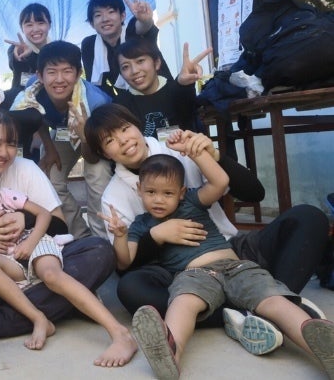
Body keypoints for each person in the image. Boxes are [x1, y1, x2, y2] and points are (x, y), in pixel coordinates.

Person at [83, 104, 330, 348]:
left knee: (308, 217)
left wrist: (211, 154)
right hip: (180, 273)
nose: (123, 140)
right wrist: (156, 236)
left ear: (137, 126)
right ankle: (257, 313)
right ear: (104, 153)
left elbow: (253, 192)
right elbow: (126, 265)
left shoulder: (181, 150)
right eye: (110, 140)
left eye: (125, 129)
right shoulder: (113, 196)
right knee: (130, 289)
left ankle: (272, 304)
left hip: (231, 252)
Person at [104, 142, 334, 380]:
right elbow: (125, 262)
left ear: (181, 192)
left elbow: (220, 182)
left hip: (238, 268)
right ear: (139, 189)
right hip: (193, 276)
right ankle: (171, 352)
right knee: (183, 303)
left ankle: (322, 347)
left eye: (168, 193)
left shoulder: (191, 201)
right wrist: (120, 237)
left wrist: (198, 154)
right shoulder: (141, 224)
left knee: (273, 301)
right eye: (151, 192)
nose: (159, 200)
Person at [0, 110, 116, 370]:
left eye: (11, 144)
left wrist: (24, 219)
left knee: (100, 250)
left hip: (36, 254)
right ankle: (69, 301)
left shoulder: (25, 170)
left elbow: (58, 223)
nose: (4, 152)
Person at [11, 40, 111, 239]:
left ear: (78, 73)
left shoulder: (96, 102)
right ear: (40, 75)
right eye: (51, 72)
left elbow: (92, 156)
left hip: (95, 140)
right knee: (50, 176)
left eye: (67, 71)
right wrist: (49, 149)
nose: (59, 79)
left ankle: (102, 238)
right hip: (62, 133)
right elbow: (36, 118)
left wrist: (84, 136)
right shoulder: (33, 89)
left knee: (97, 175)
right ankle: (80, 235)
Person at [81, 0, 172, 98]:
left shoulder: (132, 32)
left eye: (111, 12)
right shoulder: (89, 45)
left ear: (123, 16)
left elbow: (143, 27)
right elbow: (97, 86)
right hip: (130, 103)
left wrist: (145, 20)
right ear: (92, 23)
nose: (105, 19)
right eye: (98, 15)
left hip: (164, 94)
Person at [114, 39, 209, 139]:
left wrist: (184, 85)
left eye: (140, 61)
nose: (134, 71)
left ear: (157, 63)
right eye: (125, 67)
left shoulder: (176, 90)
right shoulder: (121, 105)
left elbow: (187, 105)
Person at [5, 3, 51, 89]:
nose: (35, 29)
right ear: (22, 28)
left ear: (49, 25)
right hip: (21, 96)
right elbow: (14, 65)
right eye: (29, 25)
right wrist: (20, 56)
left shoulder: (59, 50)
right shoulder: (16, 48)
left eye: (41, 23)